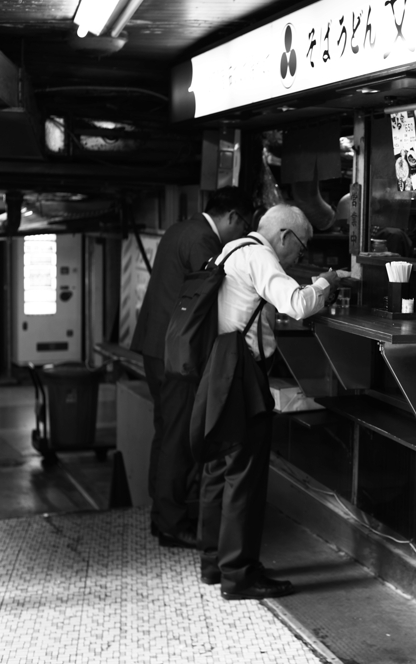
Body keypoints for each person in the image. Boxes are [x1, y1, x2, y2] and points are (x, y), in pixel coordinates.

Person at [195, 204, 339, 599]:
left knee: (218, 468)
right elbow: (296, 303)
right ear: (284, 236)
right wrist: (326, 282)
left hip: (217, 364)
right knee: (244, 475)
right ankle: (239, 576)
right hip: (240, 371)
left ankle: (213, 564)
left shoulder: (231, 248)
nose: (299, 258)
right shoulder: (261, 256)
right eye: (302, 249)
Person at [130, 187, 255, 548]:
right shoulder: (205, 242)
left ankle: (161, 516)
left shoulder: (177, 230)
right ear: (233, 217)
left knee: (165, 430)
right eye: (245, 226)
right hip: (177, 354)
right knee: (177, 438)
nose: (243, 234)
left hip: (154, 347)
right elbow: (211, 297)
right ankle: (171, 523)